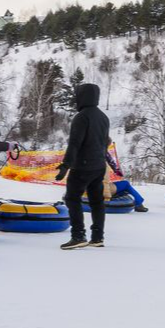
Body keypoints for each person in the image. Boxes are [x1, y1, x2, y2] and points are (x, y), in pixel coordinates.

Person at [55, 83, 109, 250]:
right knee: (97, 201)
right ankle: (97, 237)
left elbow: (75, 144)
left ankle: (78, 235)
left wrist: (65, 165)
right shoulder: (103, 117)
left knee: (72, 198)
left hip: (82, 166)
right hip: (99, 166)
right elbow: (105, 142)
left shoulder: (82, 117)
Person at [104, 147, 148, 211]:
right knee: (126, 184)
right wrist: (119, 175)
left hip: (88, 189)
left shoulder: (86, 156)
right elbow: (114, 168)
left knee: (121, 186)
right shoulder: (104, 157)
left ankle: (123, 194)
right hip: (103, 189)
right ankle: (138, 204)